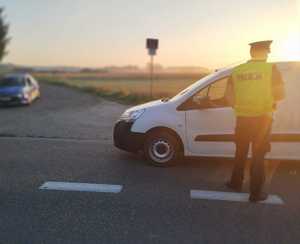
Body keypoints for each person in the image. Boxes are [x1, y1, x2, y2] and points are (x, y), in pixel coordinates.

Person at [225, 40, 285, 202]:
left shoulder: (237, 71)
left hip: (242, 118)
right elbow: (280, 94)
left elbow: (229, 97)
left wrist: (240, 106)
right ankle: (256, 194)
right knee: (258, 155)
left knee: (241, 151)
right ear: (265, 53)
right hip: (263, 120)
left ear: (251, 53)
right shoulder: (270, 69)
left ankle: (235, 183)